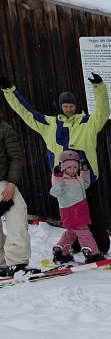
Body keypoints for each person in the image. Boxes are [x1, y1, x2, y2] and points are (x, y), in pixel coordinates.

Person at [0, 73, 111, 256]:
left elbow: (103, 111)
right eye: (65, 105)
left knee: (93, 217)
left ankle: (100, 249)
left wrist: (99, 87)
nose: (68, 109)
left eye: (71, 105)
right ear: (61, 107)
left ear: (76, 106)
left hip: (86, 183)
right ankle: (74, 246)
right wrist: (9, 91)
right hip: (63, 186)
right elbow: (25, 112)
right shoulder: (49, 124)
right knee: (70, 219)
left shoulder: (88, 123)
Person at [50, 150, 102, 264]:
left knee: (71, 233)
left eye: (75, 167)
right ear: (63, 168)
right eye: (69, 167)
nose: (72, 170)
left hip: (79, 211)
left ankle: (60, 251)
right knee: (84, 233)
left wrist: (84, 172)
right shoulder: (62, 181)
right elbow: (55, 192)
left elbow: (86, 184)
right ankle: (93, 254)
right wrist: (57, 177)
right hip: (71, 212)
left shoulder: (77, 178)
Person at [0, 112, 35, 276]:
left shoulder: (5, 129)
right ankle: (1, 264)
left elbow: (16, 157)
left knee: (17, 219)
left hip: (4, 184)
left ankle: (17, 264)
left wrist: (12, 184)